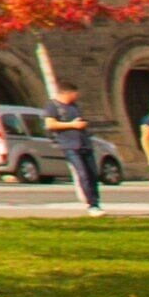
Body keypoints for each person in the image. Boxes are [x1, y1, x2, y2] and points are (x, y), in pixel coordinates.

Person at [47, 85, 106, 214]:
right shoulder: (53, 106)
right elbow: (50, 124)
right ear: (67, 93)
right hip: (69, 145)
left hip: (85, 143)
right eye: (74, 94)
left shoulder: (74, 106)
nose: (76, 97)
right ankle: (92, 205)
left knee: (93, 174)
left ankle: (96, 201)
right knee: (83, 173)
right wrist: (72, 125)